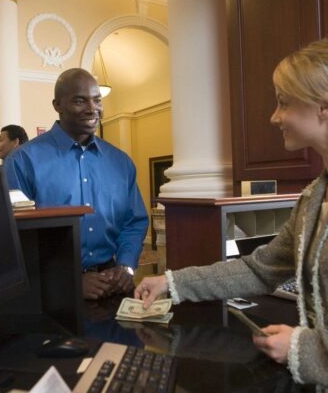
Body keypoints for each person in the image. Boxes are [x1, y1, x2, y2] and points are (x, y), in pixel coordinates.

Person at [135, 38, 328, 389]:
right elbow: (258, 268)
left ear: (323, 106)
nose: (274, 116)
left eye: (283, 103)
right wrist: (171, 283)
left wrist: (304, 347)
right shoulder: (313, 197)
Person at [5, 68, 149, 300]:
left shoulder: (121, 162)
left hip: (114, 286)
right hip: (50, 294)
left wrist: (125, 266)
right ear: (57, 105)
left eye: (97, 100)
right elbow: (16, 236)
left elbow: (134, 222)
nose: (92, 109)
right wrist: (68, 279)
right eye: (80, 101)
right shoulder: (22, 161)